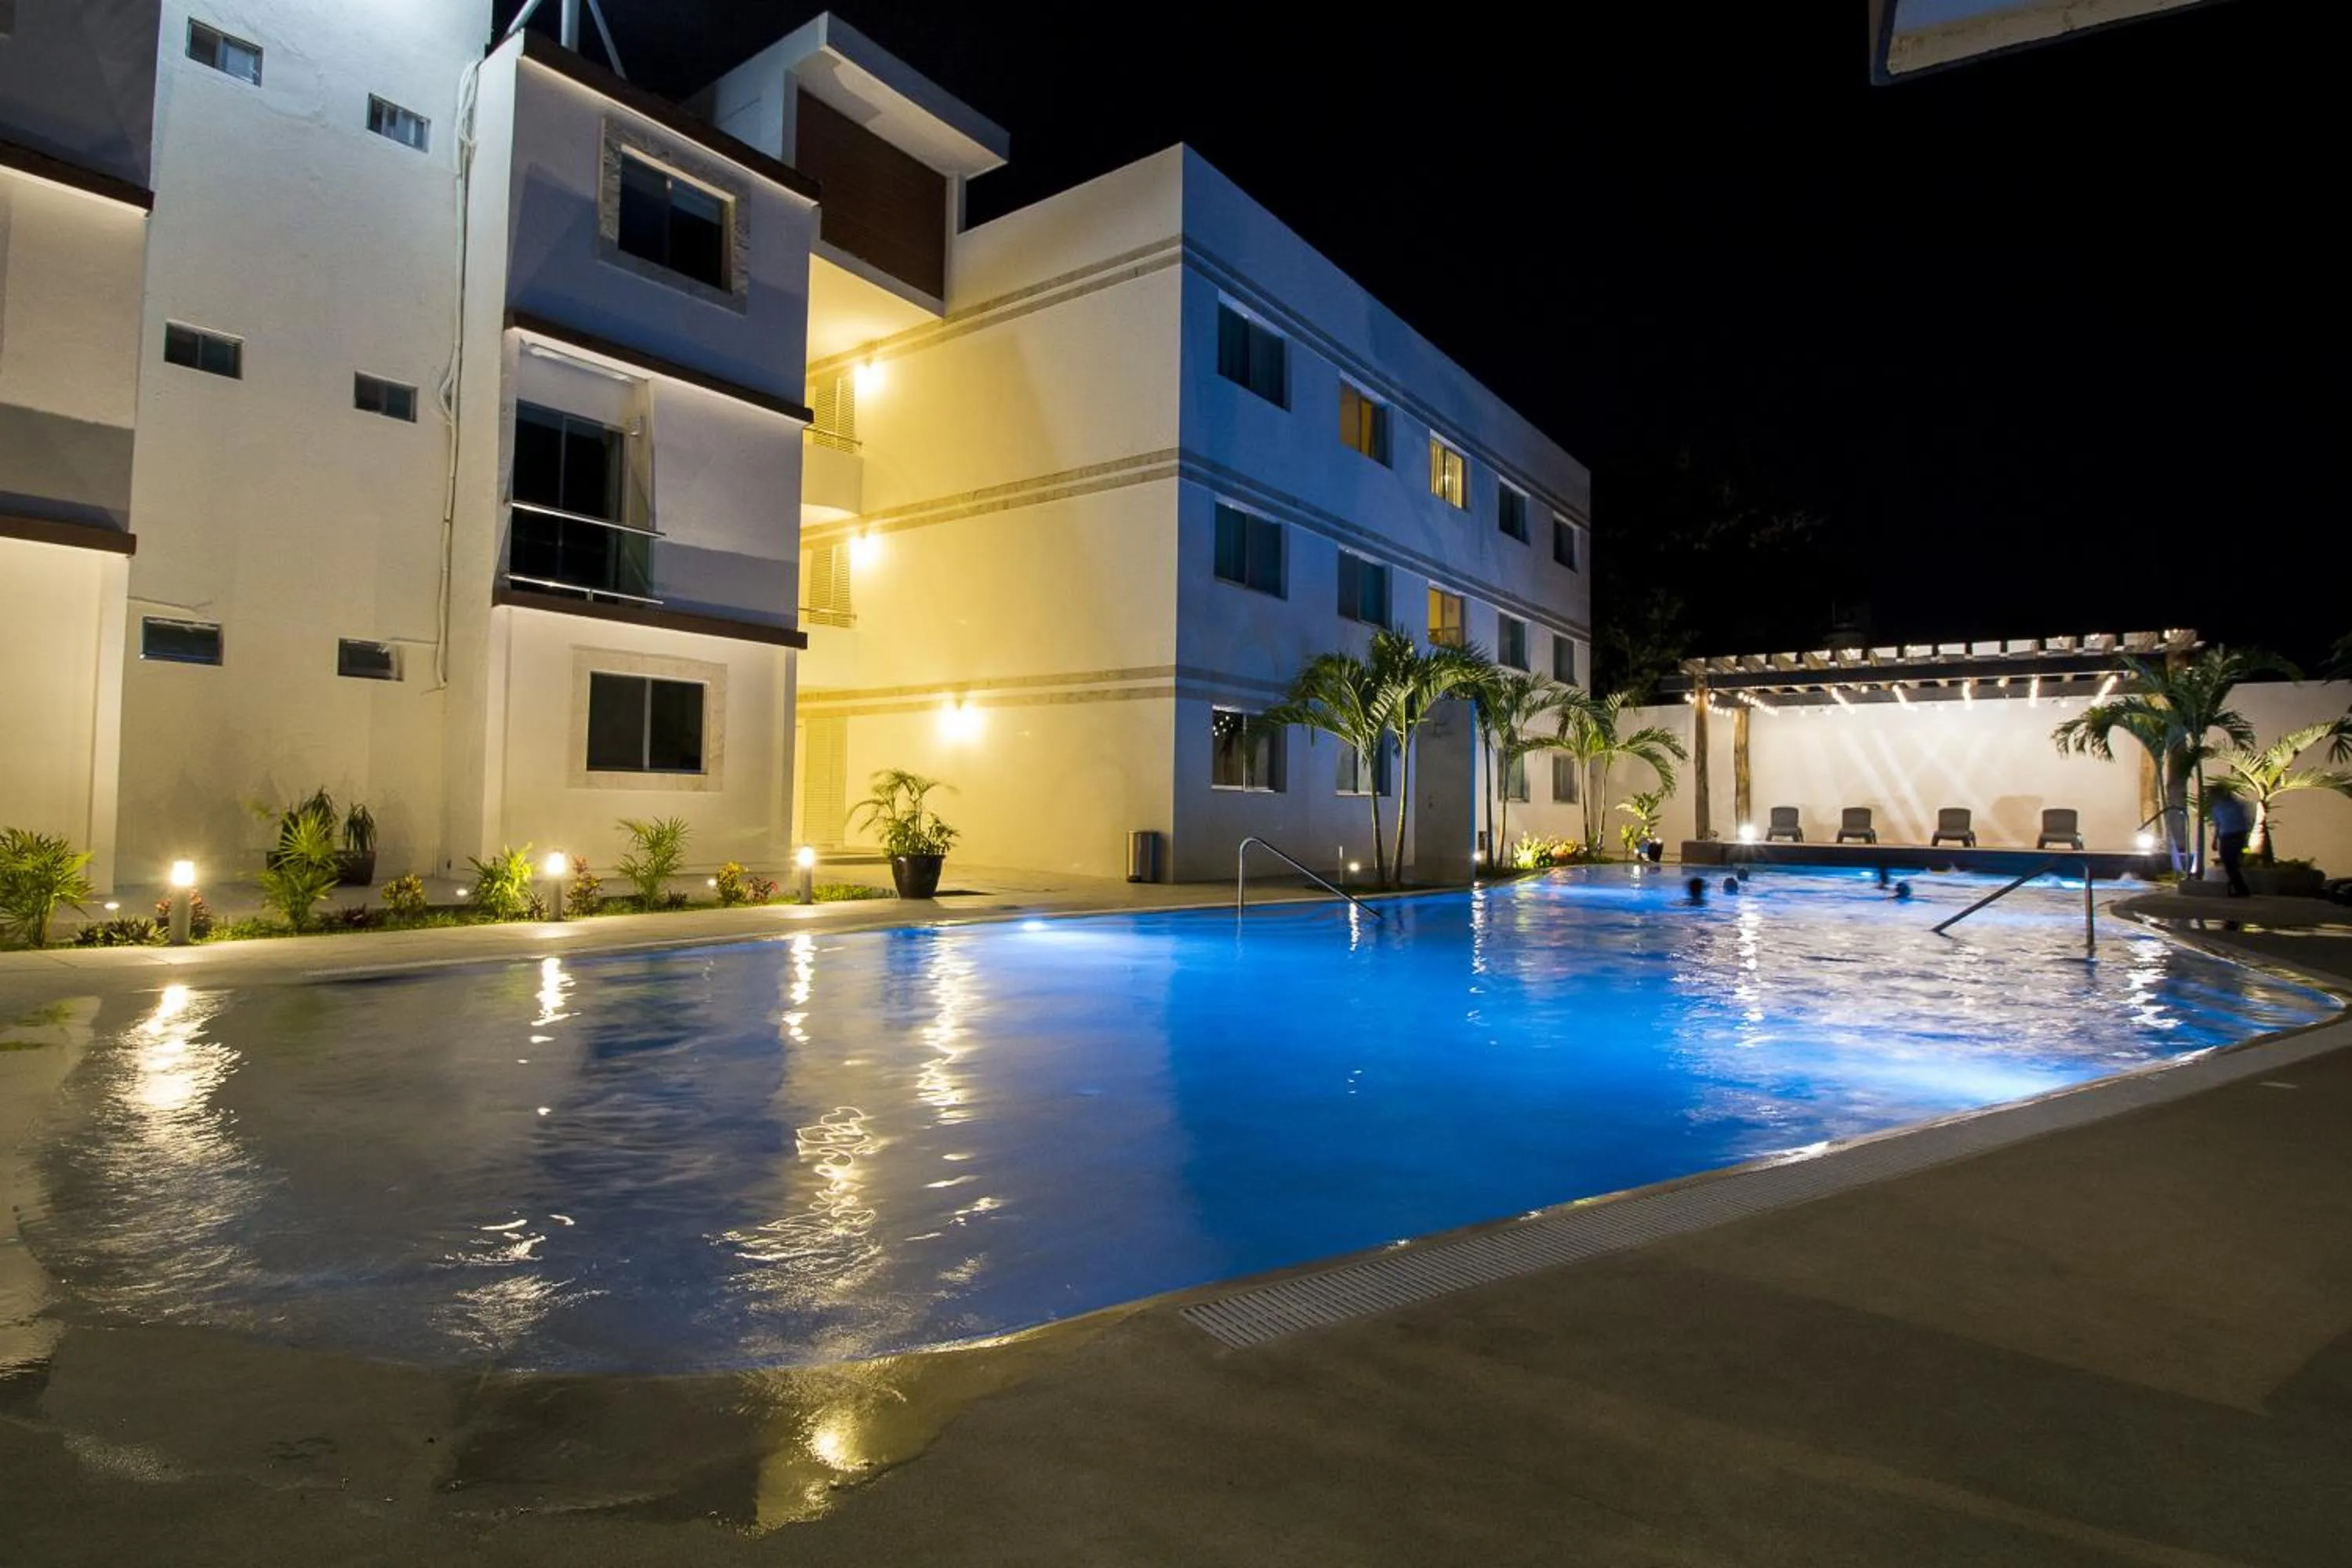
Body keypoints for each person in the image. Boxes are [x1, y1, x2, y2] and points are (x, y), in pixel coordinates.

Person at [2209, 789, 2254, 897]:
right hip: (2229, 836)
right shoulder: (2220, 808)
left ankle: (2240, 888)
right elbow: (2218, 825)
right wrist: (2215, 840)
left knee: (2231, 863)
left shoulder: (2236, 806)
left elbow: (2245, 822)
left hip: (2234, 836)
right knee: (2230, 863)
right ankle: (2237, 887)